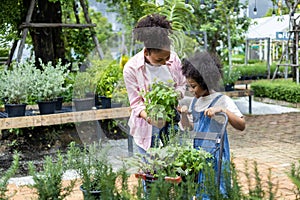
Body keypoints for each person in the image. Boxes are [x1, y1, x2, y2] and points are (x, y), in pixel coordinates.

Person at [180, 51, 245, 198]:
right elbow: (190, 127)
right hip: (198, 157)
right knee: (201, 191)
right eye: (189, 86)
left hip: (217, 157)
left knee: (217, 190)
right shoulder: (195, 102)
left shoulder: (221, 100)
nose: (191, 90)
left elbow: (241, 124)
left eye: (194, 86)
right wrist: (184, 115)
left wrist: (223, 111)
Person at [123, 14, 186, 155]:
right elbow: (136, 103)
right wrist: (150, 118)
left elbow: (182, 84)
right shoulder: (132, 68)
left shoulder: (174, 59)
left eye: (167, 57)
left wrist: (176, 94)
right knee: (151, 168)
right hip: (147, 126)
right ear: (146, 52)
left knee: (177, 161)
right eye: (159, 59)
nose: (165, 62)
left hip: (172, 120)